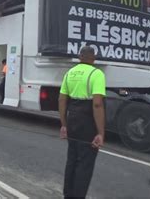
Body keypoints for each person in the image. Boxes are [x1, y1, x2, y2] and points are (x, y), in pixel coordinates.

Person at [59, 46, 105, 198]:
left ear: (80, 57)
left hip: (72, 118)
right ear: (93, 58)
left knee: (71, 159)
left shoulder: (69, 73)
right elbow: (97, 104)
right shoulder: (96, 74)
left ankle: (68, 195)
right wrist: (100, 132)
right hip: (88, 120)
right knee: (85, 164)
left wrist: (64, 124)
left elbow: (62, 100)